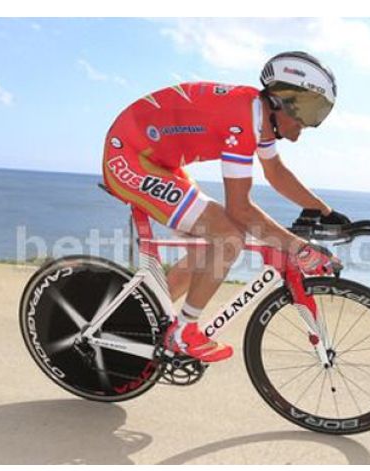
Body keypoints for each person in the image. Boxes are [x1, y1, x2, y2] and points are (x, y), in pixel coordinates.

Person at [101, 51, 351, 363]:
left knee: (208, 250)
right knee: (229, 236)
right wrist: (299, 249)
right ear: (283, 100)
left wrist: (324, 212)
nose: (305, 127)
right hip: (129, 157)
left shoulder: (258, 115)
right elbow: (240, 210)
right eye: (308, 114)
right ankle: (183, 333)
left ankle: (137, 323)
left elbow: (276, 173)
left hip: (156, 160)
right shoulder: (242, 121)